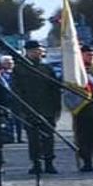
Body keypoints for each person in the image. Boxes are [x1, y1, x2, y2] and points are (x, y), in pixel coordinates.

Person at [12, 41, 63, 174]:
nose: (38, 53)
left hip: (48, 108)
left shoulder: (47, 69)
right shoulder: (19, 68)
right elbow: (16, 91)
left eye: (40, 50)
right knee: (33, 139)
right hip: (29, 109)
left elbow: (55, 89)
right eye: (35, 51)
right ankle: (36, 163)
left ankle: (49, 163)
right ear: (28, 52)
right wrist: (21, 109)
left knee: (48, 137)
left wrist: (57, 107)